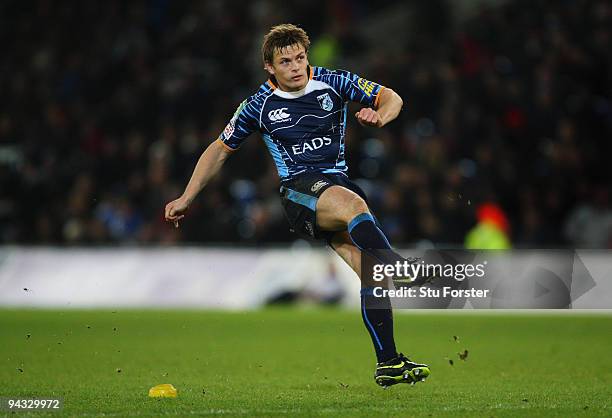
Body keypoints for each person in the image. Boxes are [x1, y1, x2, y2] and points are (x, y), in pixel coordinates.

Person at [164, 24, 430, 387]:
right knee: (355, 206)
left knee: (370, 273)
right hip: (299, 193)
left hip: (335, 186)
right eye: (285, 61)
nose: (296, 67)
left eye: (300, 58)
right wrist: (187, 196)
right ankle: (394, 264)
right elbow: (220, 149)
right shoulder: (258, 105)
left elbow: (391, 96)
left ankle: (389, 362)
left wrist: (380, 115)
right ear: (269, 68)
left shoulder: (333, 81)